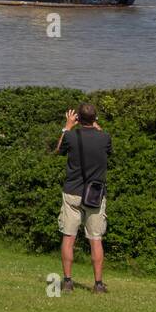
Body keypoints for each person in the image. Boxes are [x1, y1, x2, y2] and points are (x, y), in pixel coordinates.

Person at [56, 103, 112, 295]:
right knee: (95, 239)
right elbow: (107, 149)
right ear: (95, 119)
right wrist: (97, 126)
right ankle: (98, 284)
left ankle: (68, 282)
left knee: (69, 237)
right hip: (95, 194)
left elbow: (58, 150)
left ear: (78, 118)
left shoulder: (71, 136)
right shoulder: (104, 137)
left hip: (72, 192)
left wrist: (67, 126)